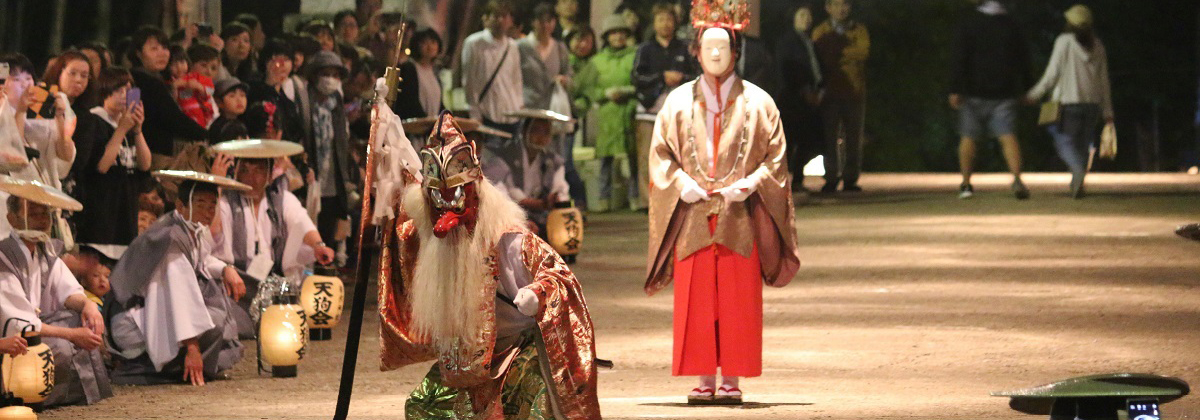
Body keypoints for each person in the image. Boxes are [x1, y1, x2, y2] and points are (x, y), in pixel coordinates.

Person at [377, 112, 600, 418]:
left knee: (531, 400)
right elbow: (397, 215)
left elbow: (559, 276)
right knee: (423, 406)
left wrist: (537, 293)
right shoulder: (431, 239)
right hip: (464, 362)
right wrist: (386, 135)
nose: (447, 207)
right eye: (438, 199)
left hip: (520, 353)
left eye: (456, 194)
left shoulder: (508, 238)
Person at [646, 1, 801, 403]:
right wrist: (679, 182)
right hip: (693, 211)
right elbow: (661, 155)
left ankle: (731, 378)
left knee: (737, 298)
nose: (716, 54)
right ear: (696, 52)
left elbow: (777, 159)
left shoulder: (760, 102)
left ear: (736, 52)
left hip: (740, 213)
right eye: (708, 47)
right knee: (696, 297)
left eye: (723, 47)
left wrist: (752, 183)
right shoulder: (677, 102)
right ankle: (703, 377)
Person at [106, 173, 246, 386]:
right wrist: (192, 348)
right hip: (130, 319)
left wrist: (227, 269)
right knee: (213, 322)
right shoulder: (170, 238)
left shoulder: (189, 228)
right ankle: (154, 368)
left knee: (220, 313)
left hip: (151, 309)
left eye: (212, 205)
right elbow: (180, 292)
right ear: (181, 206)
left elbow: (202, 259)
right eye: (201, 204)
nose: (208, 211)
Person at [0, 186, 112, 406]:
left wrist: (88, 306)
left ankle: (60, 394)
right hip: (10, 341)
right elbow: (19, 324)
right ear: (12, 219)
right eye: (33, 213)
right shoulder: (3, 257)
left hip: (32, 329)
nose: (42, 219)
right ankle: (24, 398)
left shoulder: (45, 251)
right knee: (61, 346)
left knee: (84, 321)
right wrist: (72, 335)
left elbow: (69, 292)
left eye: (45, 213)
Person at [209, 143, 334, 335]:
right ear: (236, 173)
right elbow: (213, 231)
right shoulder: (226, 201)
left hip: (273, 281)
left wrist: (318, 246)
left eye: (259, 171)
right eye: (245, 170)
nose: (251, 177)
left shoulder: (280, 199)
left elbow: (301, 222)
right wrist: (216, 184)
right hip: (236, 284)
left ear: (269, 175)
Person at [1025, 4, 1112, 199]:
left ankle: (1077, 171)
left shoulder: (1064, 41)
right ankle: (1076, 185)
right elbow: (1104, 80)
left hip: (1068, 103)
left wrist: (1033, 95)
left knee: (1063, 141)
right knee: (1081, 146)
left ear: (1070, 24)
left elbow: (1052, 74)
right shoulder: (1098, 45)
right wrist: (1108, 111)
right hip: (1092, 104)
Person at [949, 0, 1032, 200]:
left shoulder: (968, 23)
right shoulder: (1012, 24)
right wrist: (1027, 88)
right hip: (1005, 91)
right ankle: (1017, 179)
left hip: (972, 92)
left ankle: (966, 184)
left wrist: (954, 88)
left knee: (968, 138)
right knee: (1008, 136)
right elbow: (1023, 58)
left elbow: (959, 57)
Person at [71, 66, 152, 246]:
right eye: (118, 90)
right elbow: (101, 166)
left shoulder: (128, 123)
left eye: (129, 90)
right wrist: (121, 130)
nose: (125, 95)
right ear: (105, 91)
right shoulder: (93, 120)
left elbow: (145, 165)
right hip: (101, 211)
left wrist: (137, 130)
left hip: (126, 210)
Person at [576, 15, 637, 212]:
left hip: (629, 111)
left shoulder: (635, 55)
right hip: (607, 115)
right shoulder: (597, 61)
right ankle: (603, 199)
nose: (618, 36)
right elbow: (586, 88)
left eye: (622, 32)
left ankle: (635, 197)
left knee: (633, 157)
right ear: (607, 37)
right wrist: (604, 94)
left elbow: (642, 80)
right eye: (614, 33)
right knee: (605, 160)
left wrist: (630, 91)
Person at [127, 26, 209, 171]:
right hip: (154, 155)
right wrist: (207, 136)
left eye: (165, 48)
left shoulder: (154, 80)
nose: (162, 53)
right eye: (154, 49)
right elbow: (173, 118)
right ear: (138, 53)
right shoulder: (145, 82)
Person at [482, 109, 571, 235]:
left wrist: (555, 199)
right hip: (510, 216)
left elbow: (560, 188)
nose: (541, 137)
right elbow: (501, 192)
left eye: (546, 132)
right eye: (536, 130)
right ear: (524, 131)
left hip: (541, 217)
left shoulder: (553, 161)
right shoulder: (506, 155)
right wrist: (538, 204)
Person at [813, 0, 870, 193]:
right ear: (828, 8)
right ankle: (830, 177)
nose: (841, 9)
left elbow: (863, 52)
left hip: (854, 91)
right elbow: (818, 54)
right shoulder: (820, 30)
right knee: (828, 137)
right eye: (836, 5)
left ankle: (850, 178)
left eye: (845, 4)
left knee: (854, 137)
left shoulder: (859, 29)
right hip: (829, 91)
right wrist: (845, 53)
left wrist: (836, 51)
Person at [303, 51, 356, 253]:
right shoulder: (305, 102)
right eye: (326, 74)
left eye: (335, 75)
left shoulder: (336, 104)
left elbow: (341, 143)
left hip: (333, 181)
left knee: (329, 233)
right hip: (312, 178)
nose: (331, 80)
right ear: (315, 76)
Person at [774, 3, 823, 192]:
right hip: (792, 99)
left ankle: (797, 179)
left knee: (805, 140)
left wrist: (819, 89)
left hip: (808, 98)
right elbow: (787, 70)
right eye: (802, 16)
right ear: (793, 18)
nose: (806, 20)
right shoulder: (787, 42)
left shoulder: (808, 41)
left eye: (808, 16)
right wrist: (803, 90)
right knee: (790, 140)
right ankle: (785, 181)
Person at [461, 1, 525, 134]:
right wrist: (474, 112)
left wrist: (519, 107)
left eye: (504, 16)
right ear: (485, 18)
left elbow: (516, 79)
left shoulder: (512, 46)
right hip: (487, 112)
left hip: (512, 114)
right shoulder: (474, 43)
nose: (501, 20)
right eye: (496, 16)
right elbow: (469, 81)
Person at [634, 3, 697, 113]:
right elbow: (637, 77)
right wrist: (662, 77)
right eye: (660, 20)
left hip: (683, 107)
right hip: (649, 106)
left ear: (675, 22)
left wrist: (681, 78)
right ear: (653, 24)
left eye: (669, 19)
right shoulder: (645, 49)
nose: (665, 24)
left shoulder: (686, 47)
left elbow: (697, 76)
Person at [519, 4, 573, 111]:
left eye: (549, 21)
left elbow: (570, 76)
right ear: (533, 22)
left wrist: (564, 81)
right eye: (540, 21)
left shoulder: (560, 48)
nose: (545, 25)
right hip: (527, 109)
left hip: (553, 108)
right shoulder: (520, 47)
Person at [208, 78, 250, 143]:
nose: (239, 100)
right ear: (219, 102)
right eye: (232, 96)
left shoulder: (238, 123)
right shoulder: (222, 127)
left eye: (242, 95)